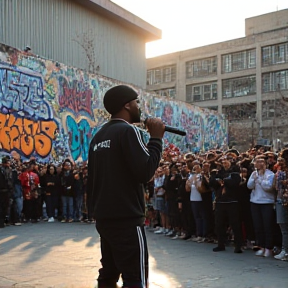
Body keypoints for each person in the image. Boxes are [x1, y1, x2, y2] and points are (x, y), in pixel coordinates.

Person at [87, 85, 165, 288]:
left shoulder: (98, 136)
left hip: (104, 217)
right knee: (134, 277)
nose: (139, 107)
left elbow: (92, 179)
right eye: (137, 102)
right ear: (127, 105)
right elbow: (145, 171)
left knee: (109, 272)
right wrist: (156, 139)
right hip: (128, 218)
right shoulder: (128, 131)